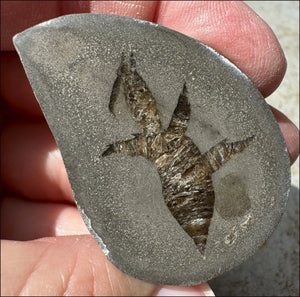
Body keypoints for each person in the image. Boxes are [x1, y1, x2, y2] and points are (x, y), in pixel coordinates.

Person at [1, 1, 299, 296]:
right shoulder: (152, 138)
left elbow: (196, 138)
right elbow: (200, 144)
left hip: (198, 200)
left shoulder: (154, 137)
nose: (149, 112)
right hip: (190, 198)